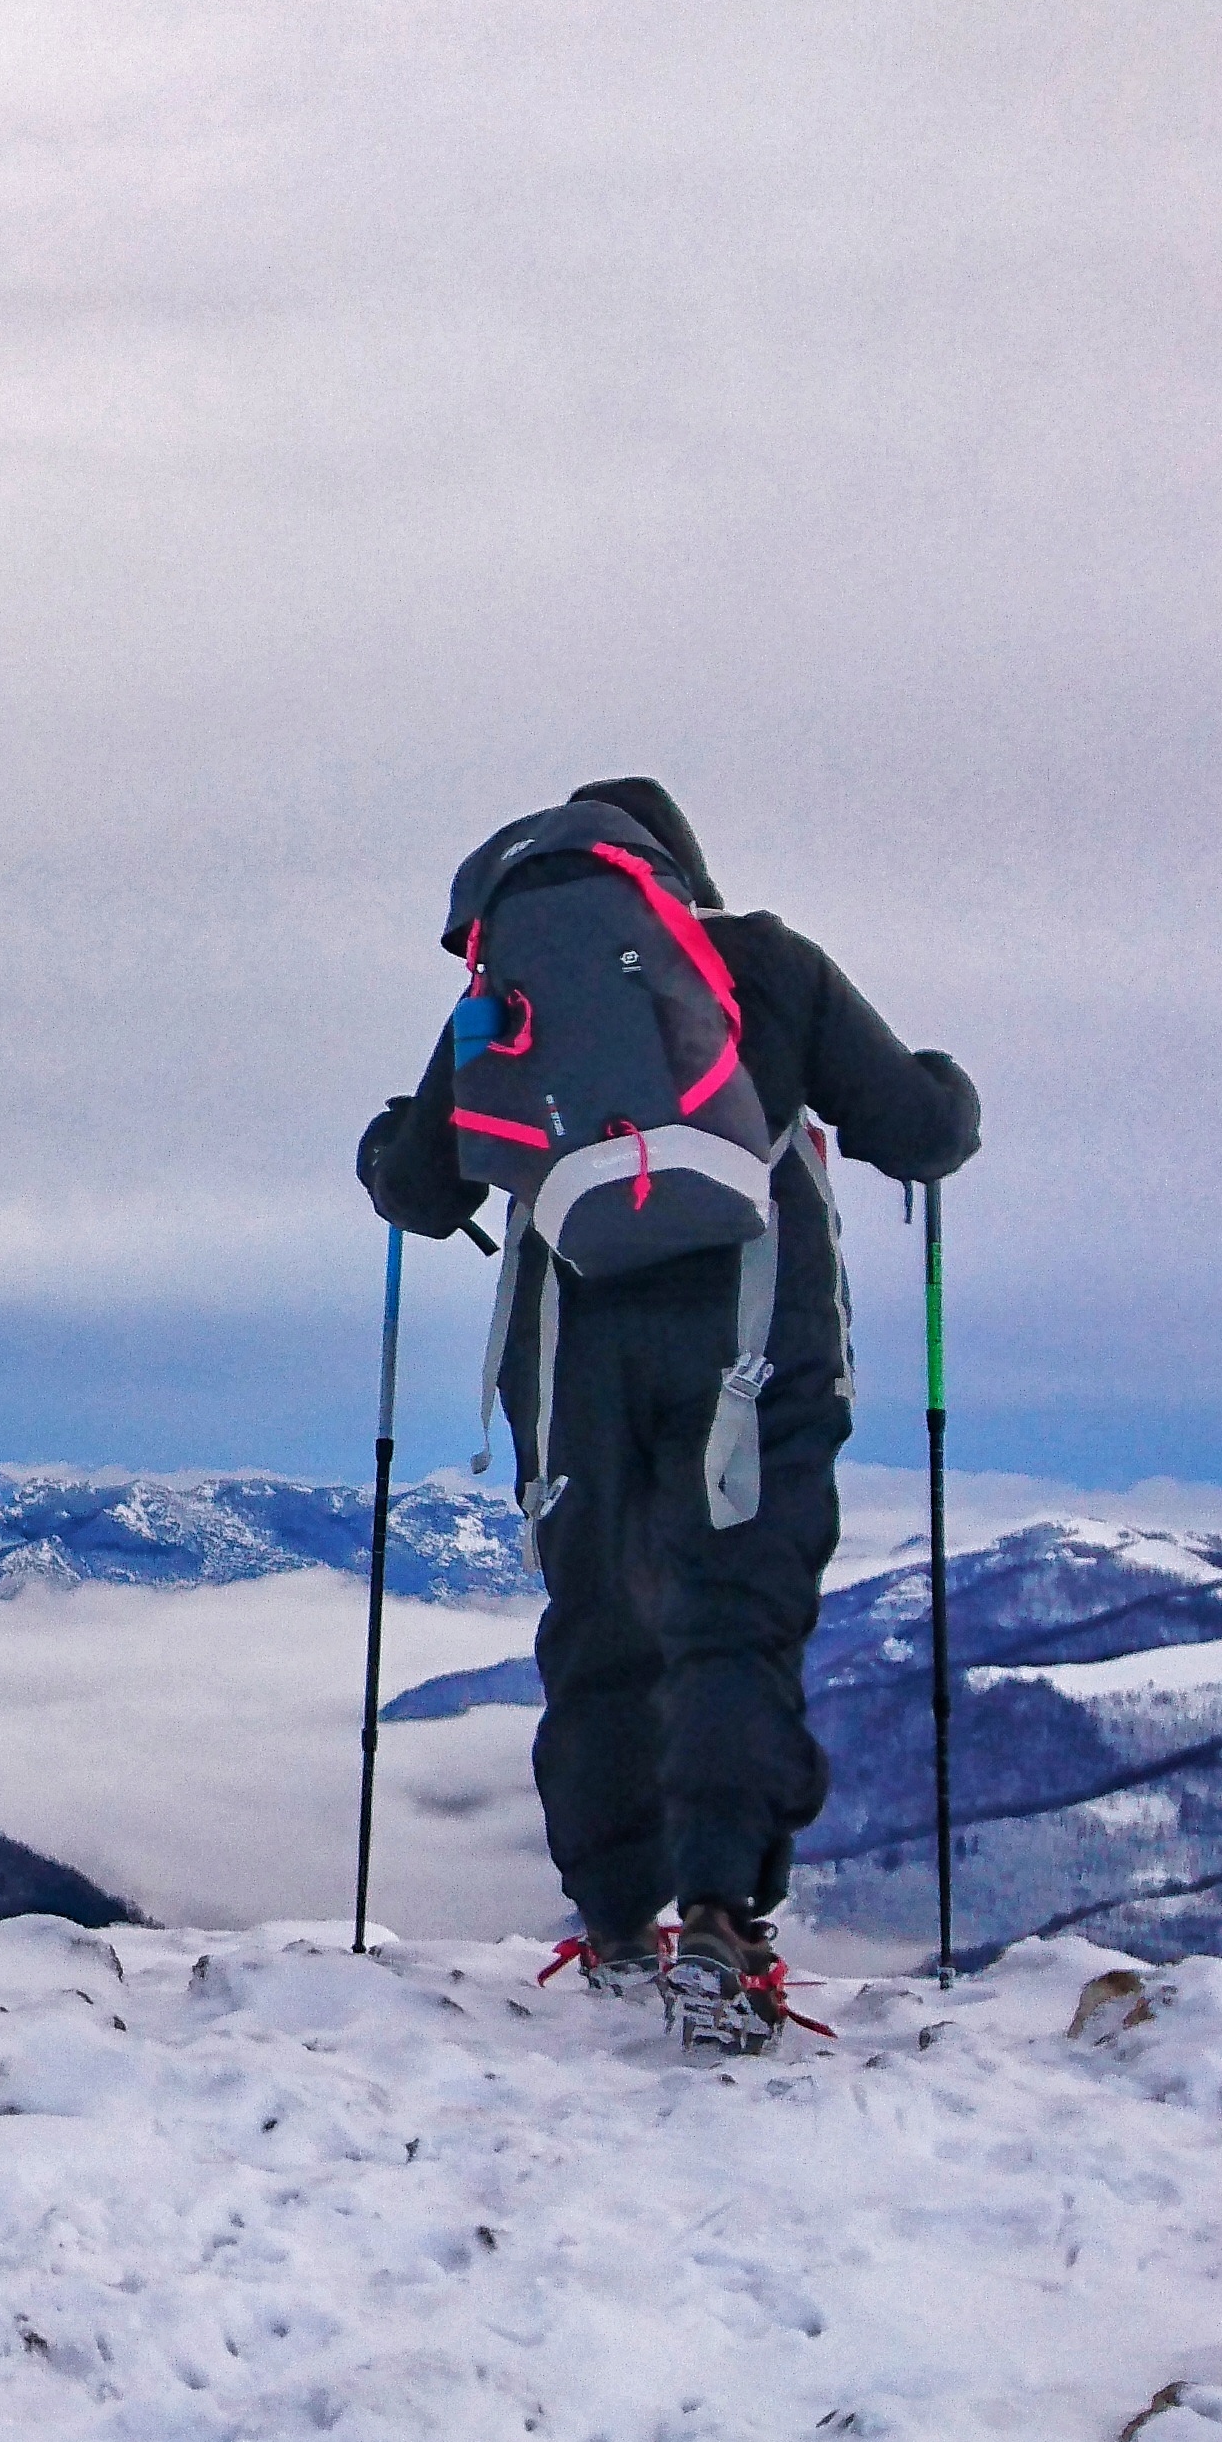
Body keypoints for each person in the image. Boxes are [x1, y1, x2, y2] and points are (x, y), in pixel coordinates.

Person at [355, 776, 978, 2052]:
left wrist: (381, 1147)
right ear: (678, 874)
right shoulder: (767, 965)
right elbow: (914, 1131)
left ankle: (615, 1917)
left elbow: (419, 1190)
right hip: (753, 1348)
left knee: (595, 1621)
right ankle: (719, 1922)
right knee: (730, 1617)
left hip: (569, 1355)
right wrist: (947, 1092)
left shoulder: (506, 993)